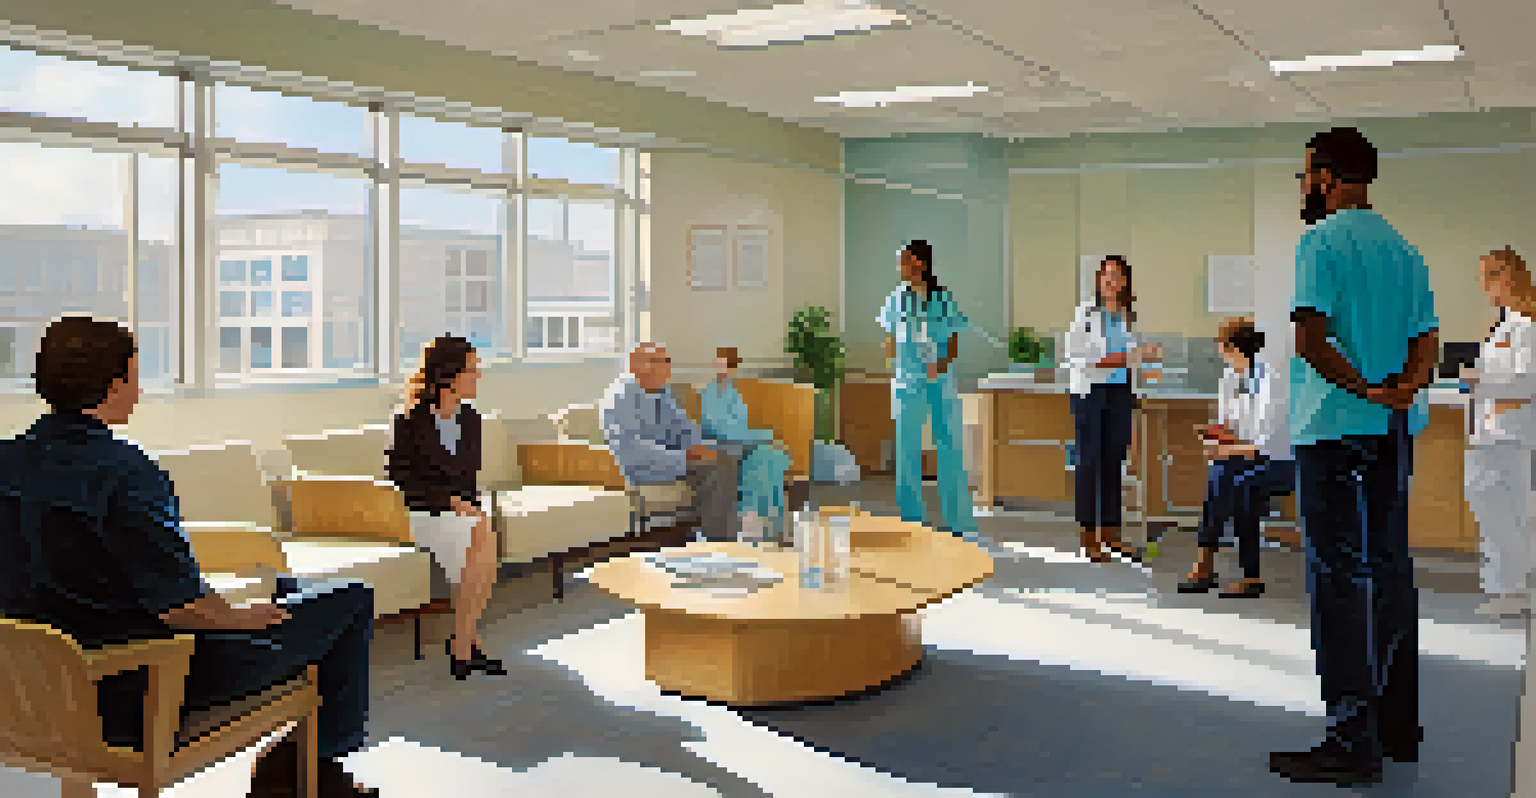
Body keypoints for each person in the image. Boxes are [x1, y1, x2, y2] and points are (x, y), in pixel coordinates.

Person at [0, 317, 377, 798]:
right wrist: (237, 617)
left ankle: (302, 760)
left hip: (28, 696)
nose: (139, 389)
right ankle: (314, 767)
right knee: (350, 600)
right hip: (142, 690)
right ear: (113, 385)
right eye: (135, 375)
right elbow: (182, 607)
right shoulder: (126, 474)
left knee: (289, 592)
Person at [1268, 127, 1439, 786]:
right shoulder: (1405, 249)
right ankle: (1397, 730)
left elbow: (1311, 339)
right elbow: (1426, 339)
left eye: (1306, 174)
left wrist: (1365, 388)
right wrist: (1403, 389)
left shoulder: (1320, 243)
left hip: (1334, 430)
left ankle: (1350, 742)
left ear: (1326, 176)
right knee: (1389, 570)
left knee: (1339, 579)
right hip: (1391, 431)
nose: (1304, 186)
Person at [385, 335, 505, 681]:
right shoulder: (407, 420)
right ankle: (465, 642)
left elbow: (469, 477)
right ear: (449, 375)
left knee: (481, 529)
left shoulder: (471, 419)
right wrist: (450, 502)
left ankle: (464, 640)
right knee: (480, 532)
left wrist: (469, 506)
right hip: (419, 512)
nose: (478, 376)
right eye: (472, 369)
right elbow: (400, 480)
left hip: (456, 513)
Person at [1179, 317, 1295, 598]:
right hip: (1246, 455)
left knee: (1241, 484)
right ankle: (1210, 563)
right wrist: (1214, 434)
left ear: (1234, 348)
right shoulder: (1230, 378)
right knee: (1220, 472)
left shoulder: (1271, 381)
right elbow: (1230, 427)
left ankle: (1224, 569)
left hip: (1280, 461)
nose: (1219, 351)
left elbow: (1266, 444)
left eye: (1221, 345)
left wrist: (1226, 449)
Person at [1063, 255, 1163, 563]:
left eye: (1116, 275)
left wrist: (1143, 362)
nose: (1110, 280)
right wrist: (1132, 356)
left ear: (1124, 283)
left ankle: (1110, 535)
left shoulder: (1126, 316)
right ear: (1099, 280)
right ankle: (1088, 537)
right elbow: (1078, 358)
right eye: (1106, 275)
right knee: (1089, 463)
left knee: (1114, 462)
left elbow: (1130, 357)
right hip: (1091, 393)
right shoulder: (1086, 313)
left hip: (1120, 393)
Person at [877, 240, 977, 538]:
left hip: (939, 381)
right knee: (906, 451)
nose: (900, 267)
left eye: (905, 260)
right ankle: (911, 520)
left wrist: (941, 365)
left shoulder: (943, 299)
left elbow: (954, 340)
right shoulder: (895, 299)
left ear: (920, 263)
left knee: (949, 446)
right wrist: (896, 370)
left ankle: (958, 522)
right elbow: (889, 341)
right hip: (907, 382)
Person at [1462, 247, 1536, 619]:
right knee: (1496, 506)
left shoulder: (1526, 324)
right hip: (1493, 430)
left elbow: (1527, 381)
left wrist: (1478, 379)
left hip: (1511, 432)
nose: (1483, 284)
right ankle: (1507, 588)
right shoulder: (1505, 324)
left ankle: (1515, 587)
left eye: (1489, 275)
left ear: (1507, 276)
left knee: (1501, 506)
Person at [601, 343, 740, 541]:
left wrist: (699, 447)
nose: (665, 367)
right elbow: (630, 450)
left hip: (668, 460)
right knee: (719, 466)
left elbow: (683, 428)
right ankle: (717, 542)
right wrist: (685, 456)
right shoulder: (620, 397)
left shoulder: (660, 392)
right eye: (655, 361)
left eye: (666, 361)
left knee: (726, 454)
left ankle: (720, 535)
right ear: (634, 366)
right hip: (641, 466)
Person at [698, 346, 793, 544]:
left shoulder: (734, 393)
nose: (724, 369)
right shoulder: (709, 393)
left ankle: (770, 524)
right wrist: (763, 436)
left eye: (728, 365)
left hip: (742, 442)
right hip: (721, 444)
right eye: (720, 364)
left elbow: (742, 425)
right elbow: (721, 429)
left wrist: (761, 438)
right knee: (766, 451)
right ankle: (751, 524)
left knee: (772, 455)